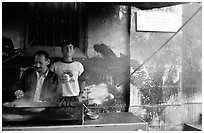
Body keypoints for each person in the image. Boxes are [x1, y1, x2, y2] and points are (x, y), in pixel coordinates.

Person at [50, 41, 85, 106]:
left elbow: (82, 81)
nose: (68, 50)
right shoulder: (55, 66)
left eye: (70, 47)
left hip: (74, 96)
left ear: (73, 50)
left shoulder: (78, 65)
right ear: (62, 50)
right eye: (66, 48)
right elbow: (50, 82)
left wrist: (81, 95)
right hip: (60, 97)